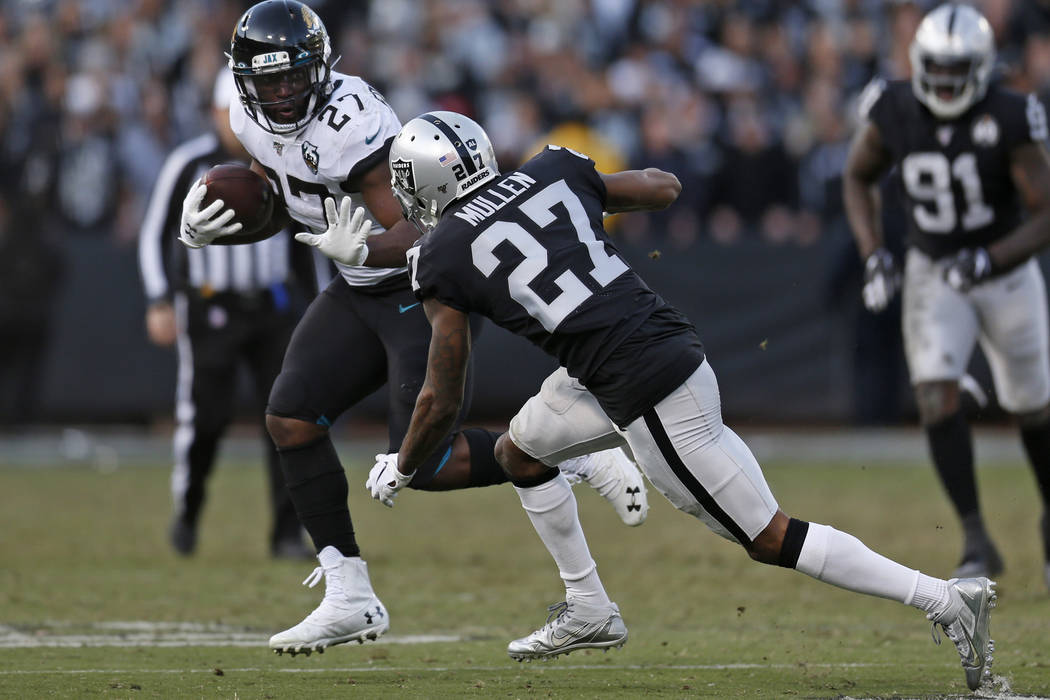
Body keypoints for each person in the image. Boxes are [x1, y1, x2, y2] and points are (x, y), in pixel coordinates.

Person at [321, 109, 999, 691]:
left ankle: (944, 599)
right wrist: (595, 200)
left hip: (645, 389)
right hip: (630, 355)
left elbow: (443, 391)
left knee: (768, 536)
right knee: (520, 453)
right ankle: (589, 608)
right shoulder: (552, 168)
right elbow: (661, 186)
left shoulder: (443, 253)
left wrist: (406, 461)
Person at [177, 0, 648, 655]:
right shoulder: (244, 117)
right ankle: (348, 594)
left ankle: (564, 452)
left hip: (421, 291)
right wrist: (220, 229)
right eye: (268, 81)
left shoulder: (352, 126)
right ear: (245, 79)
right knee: (289, 416)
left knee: (423, 464)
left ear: (320, 69)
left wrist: (366, 252)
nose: (282, 94)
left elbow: (425, 227)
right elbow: (283, 198)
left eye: (293, 78)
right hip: (359, 288)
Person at [843, 3, 1050, 586]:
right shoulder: (894, 107)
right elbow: (856, 175)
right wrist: (872, 253)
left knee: (1034, 407)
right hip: (935, 268)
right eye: (935, 66)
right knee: (935, 395)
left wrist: (991, 257)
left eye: (958, 68)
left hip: (1004, 270)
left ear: (983, 67)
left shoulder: (1009, 114)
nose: (945, 80)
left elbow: (1046, 211)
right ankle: (977, 538)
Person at [138, 69, 318, 559]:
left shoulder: (281, 158)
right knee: (206, 418)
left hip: (274, 306)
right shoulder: (188, 163)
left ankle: (285, 532)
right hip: (211, 306)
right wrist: (160, 297)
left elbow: (307, 236)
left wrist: (318, 303)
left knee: (287, 418)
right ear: (217, 112)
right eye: (229, 111)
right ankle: (188, 513)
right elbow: (156, 234)